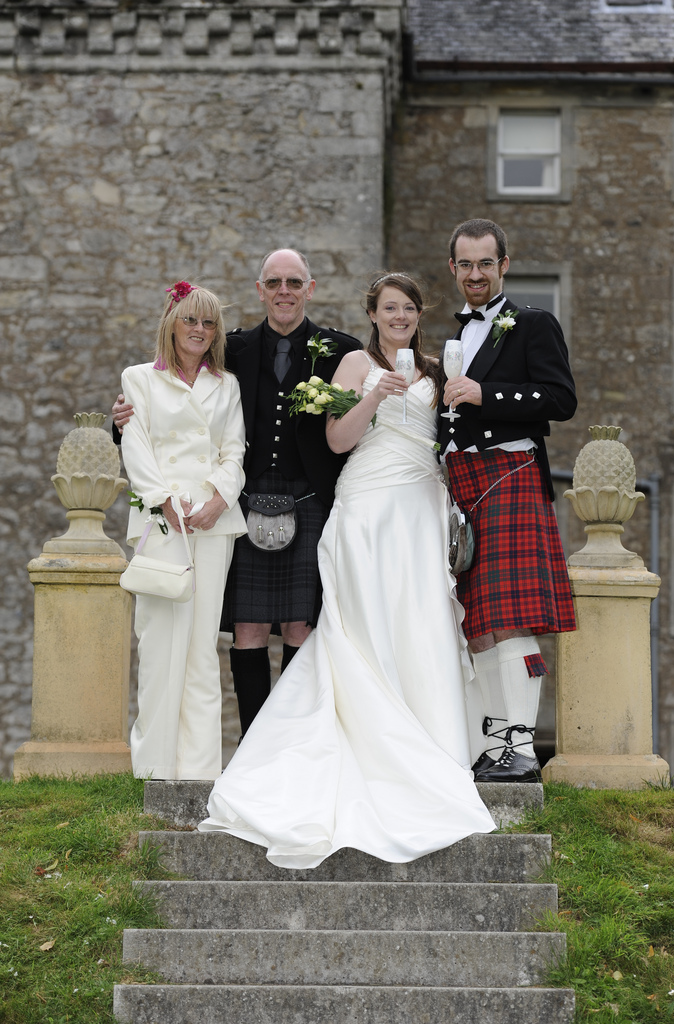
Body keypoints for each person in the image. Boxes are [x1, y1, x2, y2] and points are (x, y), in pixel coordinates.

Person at [197, 273, 496, 869]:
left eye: (409, 308)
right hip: (364, 507)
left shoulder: (438, 370)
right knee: (355, 625)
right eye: (390, 308)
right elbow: (336, 441)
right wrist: (374, 396)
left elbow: (449, 439)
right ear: (374, 313)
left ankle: (430, 742)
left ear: (418, 313)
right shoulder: (355, 363)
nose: (400, 316)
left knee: (421, 620)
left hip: (418, 508)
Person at [114, 250, 361, 740]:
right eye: (274, 282)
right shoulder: (235, 350)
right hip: (242, 501)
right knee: (245, 627)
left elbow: (360, 423)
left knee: (300, 626)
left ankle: (293, 746)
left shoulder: (341, 350)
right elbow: (169, 410)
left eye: (294, 282)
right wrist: (120, 423)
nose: (284, 291)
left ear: (309, 289)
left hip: (311, 499)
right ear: (260, 289)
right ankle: (254, 746)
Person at [437, 218, 577, 784]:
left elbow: (561, 398)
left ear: (504, 266)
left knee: (513, 619)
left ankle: (521, 748)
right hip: (461, 482)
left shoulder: (532, 323)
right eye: (465, 265)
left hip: (510, 473)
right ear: (453, 268)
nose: (475, 274)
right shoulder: (452, 336)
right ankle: (497, 744)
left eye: (485, 264)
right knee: (479, 622)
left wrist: (484, 393)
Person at [120, 282, 247, 780]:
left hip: (212, 525)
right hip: (161, 523)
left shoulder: (227, 385)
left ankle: (199, 775)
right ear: (171, 322)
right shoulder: (138, 379)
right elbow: (137, 445)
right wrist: (164, 501)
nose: (199, 330)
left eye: (208, 322)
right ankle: (153, 771)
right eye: (190, 319)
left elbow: (234, 450)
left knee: (200, 650)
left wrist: (219, 497)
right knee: (158, 647)